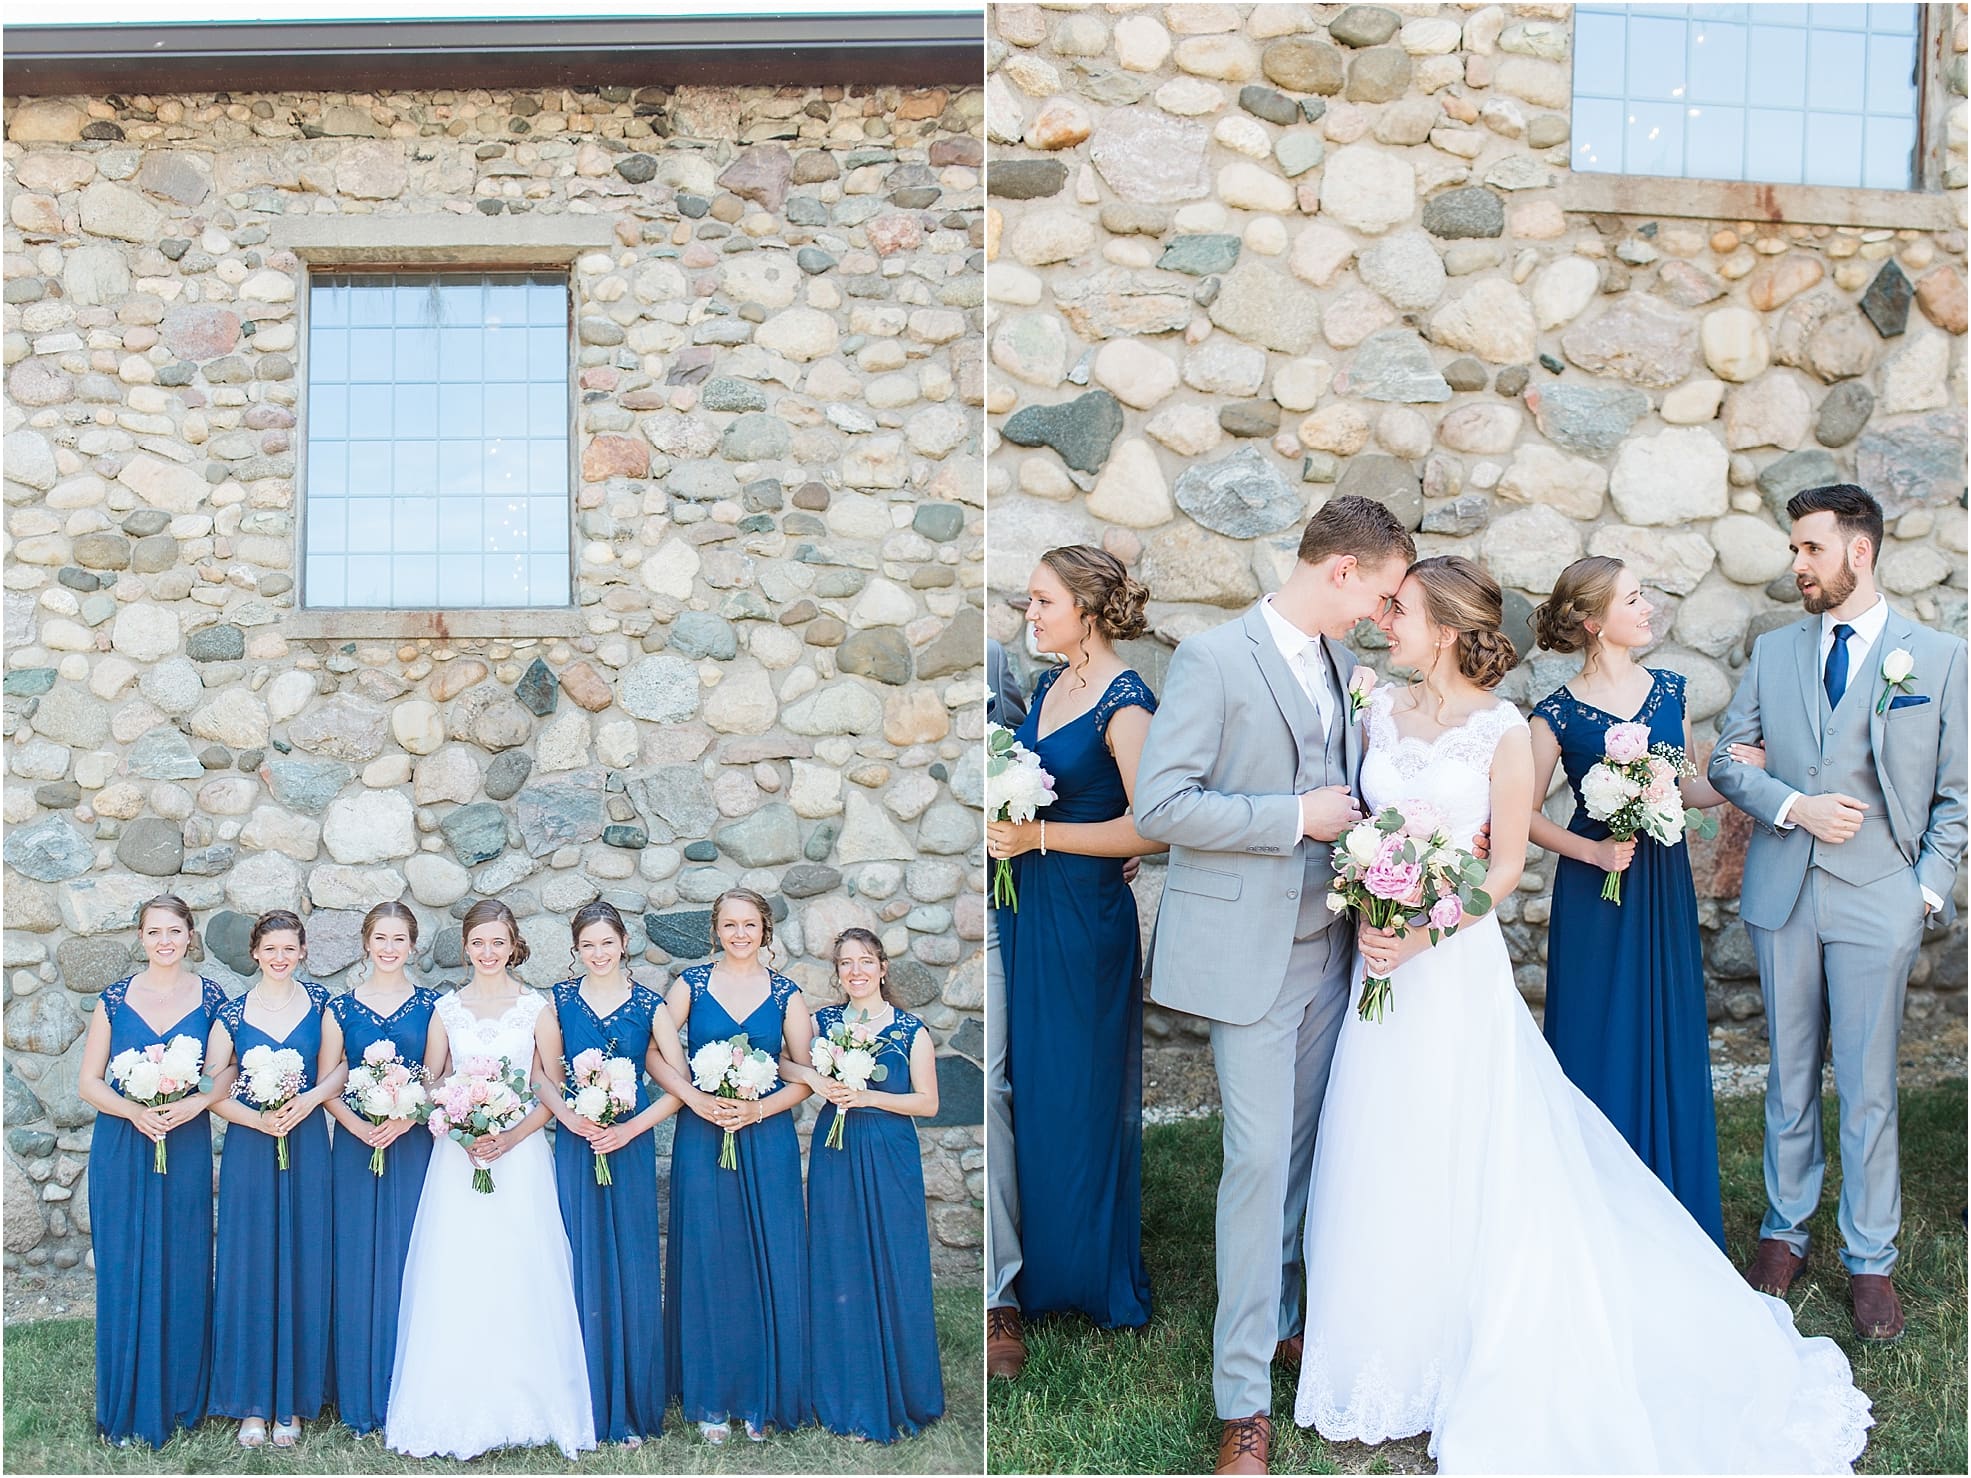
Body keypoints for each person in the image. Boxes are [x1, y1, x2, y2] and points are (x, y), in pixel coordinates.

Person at [1293, 556, 1872, 1473]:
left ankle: (1483, 1333)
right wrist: (1374, 901)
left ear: (1443, 627)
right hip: (1380, 964)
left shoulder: (1502, 733)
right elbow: (1365, 825)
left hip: (1446, 964)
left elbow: (1502, 871)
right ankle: (1386, 1344)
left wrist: (1419, 936)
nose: (1381, 619)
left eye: (1397, 609)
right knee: (1382, 1138)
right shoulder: (1372, 712)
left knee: (1472, 1140)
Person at [1133, 497, 1412, 1476]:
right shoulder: (1214, 657)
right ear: (1340, 571)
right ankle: (1242, 1397)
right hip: (1252, 957)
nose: (1385, 613)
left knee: (1308, 1154)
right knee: (1255, 1166)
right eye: (1379, 593)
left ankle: (1290, 1319)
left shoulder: (1340, 662)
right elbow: (1162, 803)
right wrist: (1294, 813)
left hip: (1335, 946)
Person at [1710, 483, 1967, 1340]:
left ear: (1858, 551)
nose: (1796, 564)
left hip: (1878, 899)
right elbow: (1724, 761)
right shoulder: (1774, 651)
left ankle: (1870, 1257)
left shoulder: (1936, 659)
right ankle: (1784, 1233)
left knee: (1865, 1084)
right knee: (1787, 1073)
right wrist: (1791, 805)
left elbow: (1955, 796)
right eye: (1793, 550)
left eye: (1808, 549)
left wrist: (1922, 891)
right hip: (1784, 892)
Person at [1528, 556, 1756, 1246]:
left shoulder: (1669, 691)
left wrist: (1736, 776)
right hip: (1594, 891)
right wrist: (1592, 851)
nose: (1648, 606)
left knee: (1663, 1027)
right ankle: (1594, 1219)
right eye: (1633, 598)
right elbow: (1521, 815)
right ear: (1594, 620)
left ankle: (1672, 1216)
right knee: (1597, 1033)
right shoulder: (1554, 713)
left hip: (1658, 883)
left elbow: (1684, 787)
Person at [987, 544, 1165, 1360]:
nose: (1030, 614)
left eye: (1042, 601)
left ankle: (1092, 1275)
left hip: (1083, 922)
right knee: (1038, 1087)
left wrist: (1039, 834)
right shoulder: (1055, 684)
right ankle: (1042, 1274)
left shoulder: (1127, 703)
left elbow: (1156, 825)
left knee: (1079, 1094)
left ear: (1088, 611)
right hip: (1028, 910)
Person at [386, 898, 595, 1460]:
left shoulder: (536, 1009)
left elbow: (548, 1087)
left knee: (519, 1266)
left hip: (519, 1158)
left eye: (497, 942)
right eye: (478, 942)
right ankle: (453, 1401)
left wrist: (509, 1137)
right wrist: (457, 1124)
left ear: (514, 945)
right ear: (466, 946)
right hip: (459, 1159)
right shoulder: (447, 1010)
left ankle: (527, 1399)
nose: (487, 952)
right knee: (459, 1270)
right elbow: (433, 1080)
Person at [656, 887, 813, 1444]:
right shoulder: (690, 986)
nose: (739, 933)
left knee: (766, 1255)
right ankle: (710, 1396)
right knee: (709, 1255)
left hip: (766, 1138)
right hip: (703, 1137)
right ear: (715, 929)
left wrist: (758, 1108)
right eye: (729, 924)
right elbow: (654, 1048)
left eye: (749, 924)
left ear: (764, 929)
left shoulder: (788, 994)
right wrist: (693, 1098)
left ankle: (761, 1394)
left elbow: (802, 1072)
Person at [76, 895, 233, 1448]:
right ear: (140, 937)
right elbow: (89, 1082)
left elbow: (224, 1072)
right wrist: (135, 1110)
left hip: (184, 1143)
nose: (164, 941)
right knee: (126, 1267)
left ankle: (182, 1400)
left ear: (191, 936)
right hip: (123, 1143)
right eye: (153, 932)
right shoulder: (114, 1000)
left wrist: (195, 1104)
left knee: (184, 1259)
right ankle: (126, 1402)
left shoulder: (211, 998)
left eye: (174, 931)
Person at [536, 901, 680, 1447]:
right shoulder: (558, 1004)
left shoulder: (650, 1005)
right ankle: (582, 1400)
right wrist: (573, 1119)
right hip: (577, 1145)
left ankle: (634, 1404)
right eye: (587, 945)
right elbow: (543, 1078)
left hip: (629, 1146)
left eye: (607, 942)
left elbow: (678, 1085)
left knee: (632, 1262)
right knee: (580, 1260)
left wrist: (629, 1129)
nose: (598, 953)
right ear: (576, 952)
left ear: (624, 944)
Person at [796, 927, 945, 1442]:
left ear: (883, 967)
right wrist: (819, 1080)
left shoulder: (910, 1031)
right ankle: (841, 1387)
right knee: (839, 1258)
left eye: (865, 961)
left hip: (887, 1150)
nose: (855, 971)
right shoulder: (823, 1021)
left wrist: (870, 1098)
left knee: (893, 1258)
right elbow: (788, 1060)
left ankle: (904, 1386)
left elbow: (928, 1103)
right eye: (845, 964)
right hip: (835, 1149)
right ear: (837, 973)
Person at [207, 910, 342, 1448]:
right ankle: (252, 1404)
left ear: (303, 951)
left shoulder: (323, 1007)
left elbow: (337, 1071)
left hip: (308, 1145)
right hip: (251, 1147)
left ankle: (294, 1401)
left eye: (290, 949)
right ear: (255, 953)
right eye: (271, 949)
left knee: (305, 1261)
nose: (280, 957)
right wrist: (257, 1117)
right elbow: (214, 1088)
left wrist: (307, 1101)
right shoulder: (231, 1013)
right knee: (250, 1262)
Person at [323, 901, 440, 1436]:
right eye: (380, 938)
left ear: (412, 946)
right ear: (366, 944)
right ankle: (357, 1388)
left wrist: (407, 1116)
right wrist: (358, 1126)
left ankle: (408, 1386)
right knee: (356, 1259)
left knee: (409, 1256)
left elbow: (440, 1079)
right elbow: (329, 1083)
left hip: (413, 1145)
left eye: (399, 939)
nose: (389, 948)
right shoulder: (339, 1009)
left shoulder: (433, 1007)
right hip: (355, 1146)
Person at [983, 635, 1028, 1377]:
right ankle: (997, 1292)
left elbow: (1029, 757)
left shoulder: (991, 661)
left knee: (1009, 1084)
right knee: (987, 1088)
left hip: (1006, 905)